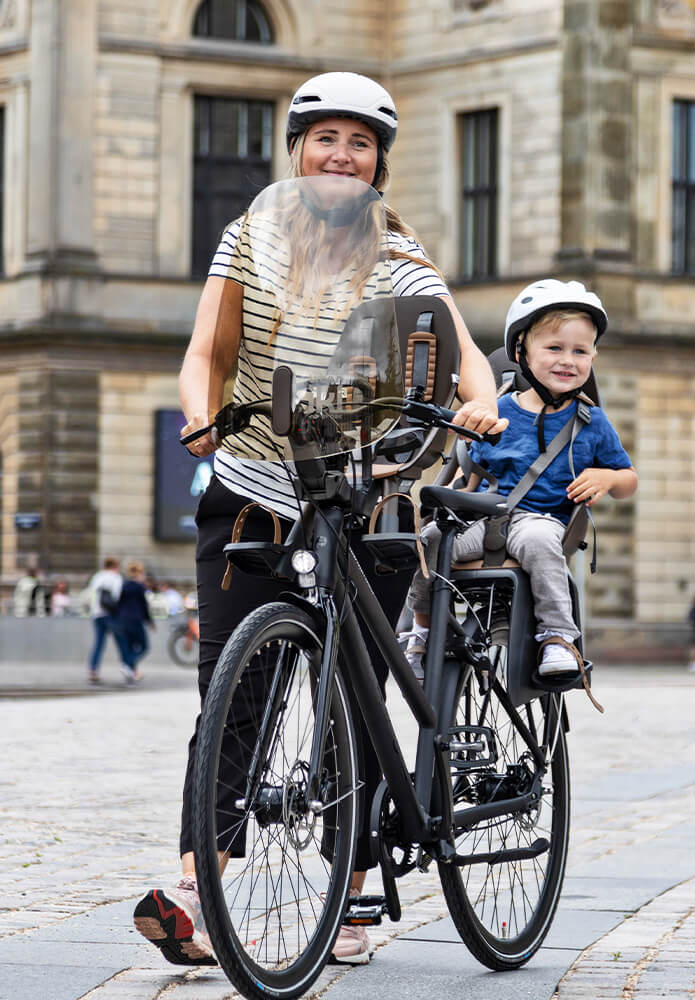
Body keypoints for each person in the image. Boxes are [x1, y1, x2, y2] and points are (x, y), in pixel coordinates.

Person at [133, 71, 508, 968]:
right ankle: (202, 884)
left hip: (365, 494)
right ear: (297, 149)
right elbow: (206, 353)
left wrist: (484, 402)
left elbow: (464, 363)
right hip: (255, 483)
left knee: (352, 698)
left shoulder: (399, 256)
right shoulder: (247, 238)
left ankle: (351, 887)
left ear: (378, 163)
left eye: (361, 142)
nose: (341, 155)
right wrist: (197, 413)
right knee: (231, 688)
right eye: (325, 138)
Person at [401, 279, 638, 679]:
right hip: (486, 517)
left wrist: (606, 478)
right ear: (520, 352)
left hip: (540, 522)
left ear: (593, 357)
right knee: (430, 542)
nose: (569, 360)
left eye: (581, 351)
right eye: (555, 348)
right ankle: (420, 632)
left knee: (540, 542)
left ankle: (558, 639)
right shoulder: (498, 410)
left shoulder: (591, 420)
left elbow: (629, 478)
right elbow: (468, 473)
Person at [85, 557, 128, 684]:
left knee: (98, 643)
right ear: (115, 566)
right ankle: (129, 667)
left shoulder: (97, 576)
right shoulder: (116, 578)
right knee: (121, 642)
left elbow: (91, 594)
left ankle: (93, 670)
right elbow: (117, 596)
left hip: (97, 614)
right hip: (111, 614)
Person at [118, 561, 154, 684]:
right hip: (136, 619)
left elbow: (119, 603)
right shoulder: (140, 587)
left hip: (123, 619)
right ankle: (127, 665)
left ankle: (131, 672)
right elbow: (144, 606)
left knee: (129, 646)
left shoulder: (124, 585)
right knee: (143, 646)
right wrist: (150, 621)